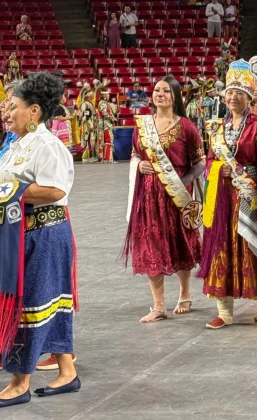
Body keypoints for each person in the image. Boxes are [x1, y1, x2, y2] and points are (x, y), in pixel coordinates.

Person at [0, 72, 79, 407]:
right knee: (51, 302)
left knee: (29, 305)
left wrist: (11, 190)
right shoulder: (18, 143)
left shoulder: (47, 145)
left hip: (43, 234)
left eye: (12, 106)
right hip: (25, 232)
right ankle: (67, 373)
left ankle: (20, 382)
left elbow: (57, 190)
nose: (6, 111)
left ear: (33, 112)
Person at [199, 59, 257, 329]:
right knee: (220, 249)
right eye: (230, 92)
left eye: (240, 93)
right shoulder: (217, 127)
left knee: (255, 247)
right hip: (223, 198)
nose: (233, 97)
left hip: (248, 196)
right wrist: (217, 170)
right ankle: (224, 310)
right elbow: (211, 160)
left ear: (249, 97)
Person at [123, 76, 205, 322]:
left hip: (176, 197)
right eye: (157, 90)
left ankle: (185, 295)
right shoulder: (142, 125)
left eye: (166, 91)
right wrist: (139, 166)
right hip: (148, 198)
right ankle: (158, 305)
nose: (160, 94)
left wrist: (186, 180)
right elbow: (135, 155)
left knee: (181, 243)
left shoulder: (186, 127)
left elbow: (200, 162)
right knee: (151, 246)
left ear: (175, 96)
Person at [79, 86, 98, 162]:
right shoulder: (86, 104)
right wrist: (91, 125)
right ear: (89, 95)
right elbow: (86, 116)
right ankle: (88, 156)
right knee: (89, 139)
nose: (93, 95)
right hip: (88, 125)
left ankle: (90, 156)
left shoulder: (88, 103)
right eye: (92, 94)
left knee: (91, 140)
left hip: (90, 124)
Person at [97, 91, 116, 163]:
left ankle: (106, 158)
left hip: (105, 125)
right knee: (109, 140)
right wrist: (112, 118)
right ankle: (108, 158)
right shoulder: (103, 103)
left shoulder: (103, 102)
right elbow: (104, 113)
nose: (109, 95)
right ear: (104, 95)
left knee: (106, 141)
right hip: (106, 125)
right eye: (108, 94)